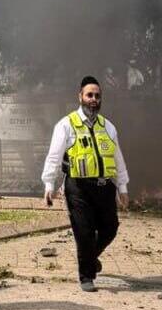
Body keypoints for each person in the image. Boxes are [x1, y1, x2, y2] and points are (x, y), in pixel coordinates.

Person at [41, 76, 130, 292]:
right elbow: (54, 156)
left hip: (104, 187)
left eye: (97, 96)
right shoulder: (66, 124)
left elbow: (118, 159)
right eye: (89, 95)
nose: (93, 99)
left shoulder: (108, 127)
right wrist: (49, 185)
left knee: (110, 228)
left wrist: (123, 187)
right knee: (84, 232)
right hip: (78, 188)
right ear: (80, 96)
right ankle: (86, 276)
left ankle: (90, 258)